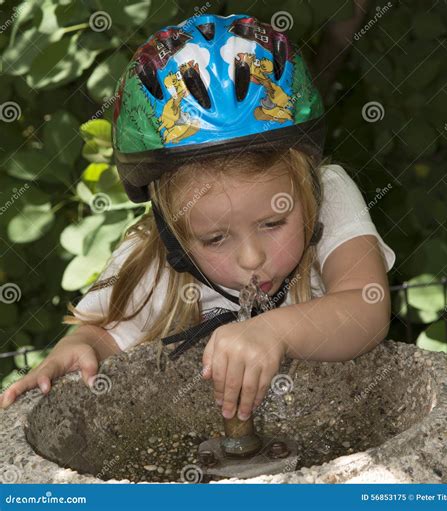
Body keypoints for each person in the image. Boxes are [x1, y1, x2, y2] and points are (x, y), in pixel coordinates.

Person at [0, 14, 395, 422]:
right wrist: (80, 347)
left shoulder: (329, 196)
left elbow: (365, 308)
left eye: (273, 223)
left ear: (307, 187)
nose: (251, 258)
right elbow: (102, 333)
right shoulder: (152, 258)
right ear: (171, 231)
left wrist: (272, 331)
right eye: (215, 239)